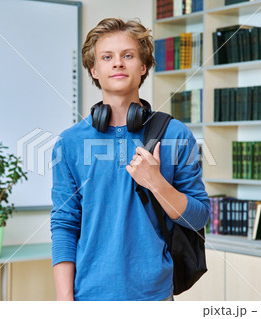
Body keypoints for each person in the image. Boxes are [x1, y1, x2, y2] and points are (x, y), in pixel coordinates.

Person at [50, 18, 209, 301]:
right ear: (94, 69)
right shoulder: (69, 142)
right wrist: (65, 302)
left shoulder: (175, 134)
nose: (118, 64)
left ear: (143, 66)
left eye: (128, 56)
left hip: (154, 296)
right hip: (89, 296)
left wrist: (157, 183)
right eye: (107, 57)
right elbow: (64, 223)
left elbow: (199, 216)